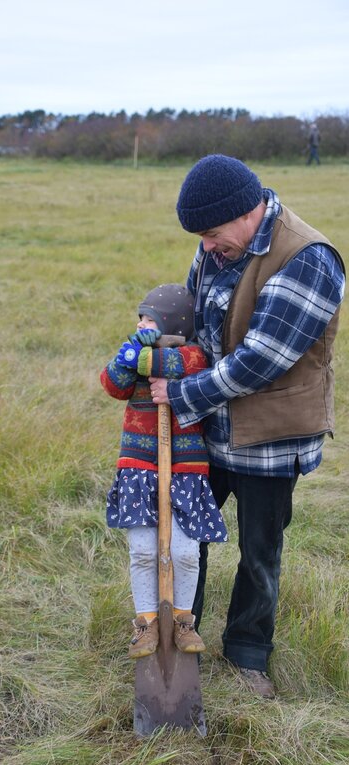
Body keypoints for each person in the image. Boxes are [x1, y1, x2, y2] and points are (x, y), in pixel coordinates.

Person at [149, 155, 345, 697]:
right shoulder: (219, 245)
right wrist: (155, 340)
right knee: (186, 537)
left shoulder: (308, 258)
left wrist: (183, 392)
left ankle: (248, 655)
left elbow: (260, 359)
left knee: (260, 551)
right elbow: (193, 316)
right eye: (201, 237)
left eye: (211, 234)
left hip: (270, 443)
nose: (206, 247)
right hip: (209, 431)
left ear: (246, 211)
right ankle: (178, 637)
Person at [100, 283, 228, 659]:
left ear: (174, 324)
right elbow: (112, 384)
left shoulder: (193, 356)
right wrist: (130, 353)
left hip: (185, 469)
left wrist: (141, 354)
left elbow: (178, 365)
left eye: (150, 318)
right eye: (140, 318)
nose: (142, 324)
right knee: (142, 549)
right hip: (139, 467)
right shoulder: (134, 353)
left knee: (186, 551)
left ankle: (183, 620)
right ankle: (147, 623)